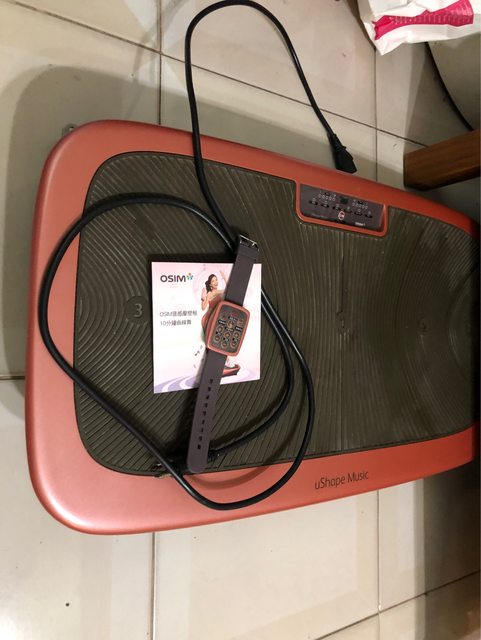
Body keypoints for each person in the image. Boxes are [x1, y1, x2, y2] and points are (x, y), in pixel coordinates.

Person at [200, 271, 239, 376]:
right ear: (210, 284)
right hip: (209, 318)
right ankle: (219, 365)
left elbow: (229, 290)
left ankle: (223, 363)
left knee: (220, 339)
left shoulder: (219, 292)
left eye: (216, 279)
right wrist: (203, 298)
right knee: (216, 341)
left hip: (218, 318)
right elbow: (203, 308)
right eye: (213, 281)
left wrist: (225, 277)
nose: (216, 282)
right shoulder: (211, 293)